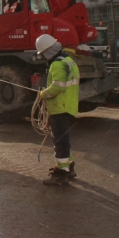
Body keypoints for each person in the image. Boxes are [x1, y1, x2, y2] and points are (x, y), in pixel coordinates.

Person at [35, 34, 80, 186]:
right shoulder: (68, 60)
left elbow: (58, 86)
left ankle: (61, 174)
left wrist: (42, 94)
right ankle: (69, 167)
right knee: (63, 139)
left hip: (59, 107)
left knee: (60, 141)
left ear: (47, 52)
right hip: (68, 106)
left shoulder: (57, 64)